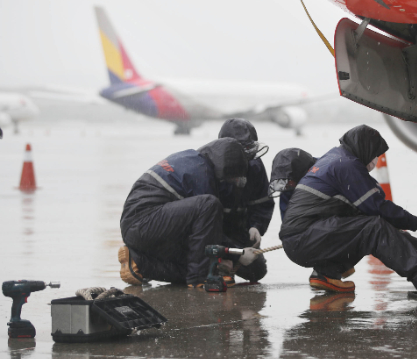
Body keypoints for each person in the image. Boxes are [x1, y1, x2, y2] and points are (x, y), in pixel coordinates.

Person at [280, 124, 417, 295]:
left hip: (304, 238)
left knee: (367, 228)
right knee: (373, 228)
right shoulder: (347, 165)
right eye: (375, 154)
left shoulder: (334, 159)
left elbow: (373, 215)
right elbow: (378, 207)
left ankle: (326, 274)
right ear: (365, 149)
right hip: (304, 239)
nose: (376, 160)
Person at [119, 138, 259, 288]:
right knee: (209, 205)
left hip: (142, 225)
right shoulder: (203, 175)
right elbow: (209, 230)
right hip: (143, 223)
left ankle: (140, 263)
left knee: (193, 263)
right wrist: (237, 253)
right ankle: (200, 279)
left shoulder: (192, 158)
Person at [217, 119, 274, 284]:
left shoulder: (255, 166)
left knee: (257, 271)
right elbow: (203, 221)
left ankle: (229, 264)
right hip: (212, 231)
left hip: (238, 229)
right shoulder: (212, 165)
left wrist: (256, 226)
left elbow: (263, 202)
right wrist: (233, 253)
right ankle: (216, 266)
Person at [268, 147, 317, 220]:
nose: (287, 184)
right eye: (284, 180)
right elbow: (287, 218)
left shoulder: (322, 175)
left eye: (289, 180)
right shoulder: (287, 188)